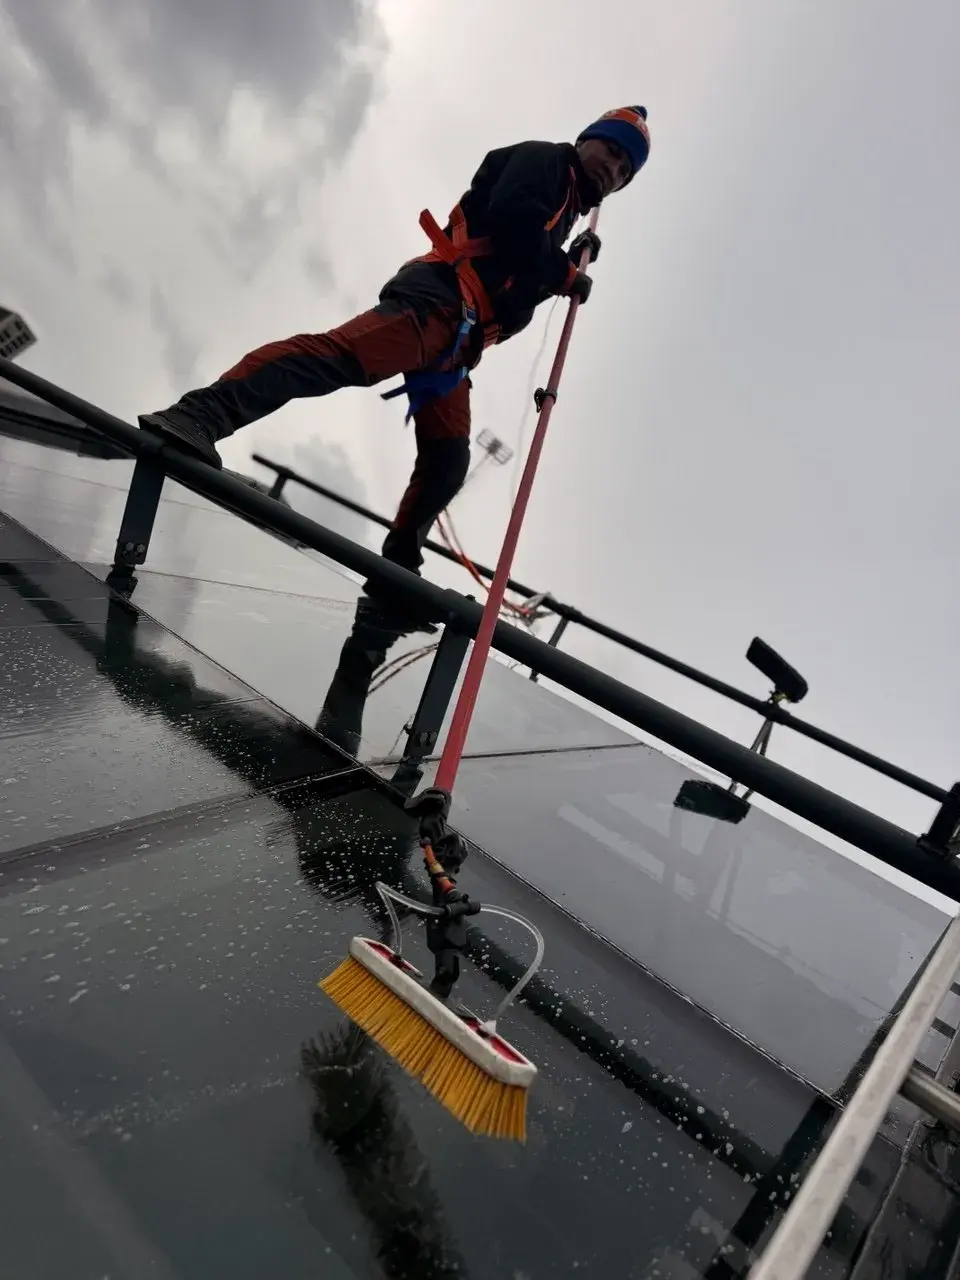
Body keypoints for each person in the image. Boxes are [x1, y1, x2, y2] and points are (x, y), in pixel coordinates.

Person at [139, 105, 651, 595]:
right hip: (441, 300)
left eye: (625, 169)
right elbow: (514, 224)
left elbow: (520, 273)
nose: (613, 168)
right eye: (610, 151)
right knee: (337, 357)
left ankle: (398, 566)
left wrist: (569, 258)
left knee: (449, 459)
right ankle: (198, 415)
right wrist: (564, 272)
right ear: (585, 141)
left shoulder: (562, 210)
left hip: (457, 343)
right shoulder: (545, 162)